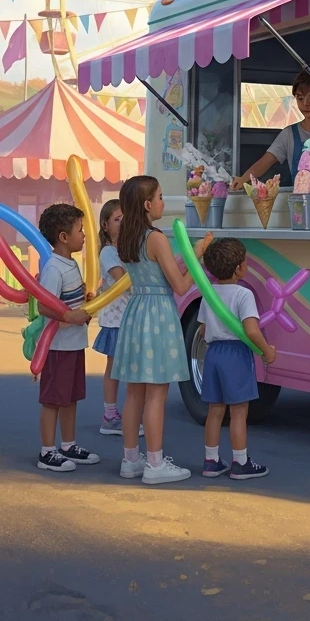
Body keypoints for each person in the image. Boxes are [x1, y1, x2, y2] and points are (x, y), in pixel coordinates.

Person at [112, 176, 194, 485]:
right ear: (148, 205)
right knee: (157, 393)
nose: (163, 202)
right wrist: (197, 256)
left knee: (134, 392)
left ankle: (131, 459)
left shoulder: (126, 237)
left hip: (136, 312)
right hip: (158, 314)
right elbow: (180, 286)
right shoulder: (156, 238)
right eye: (160, 197)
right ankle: (156, 464)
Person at [197, 237, 276, 480]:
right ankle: (240, 462)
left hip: (213, 353)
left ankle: (211, 461)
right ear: (239, 268)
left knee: (215, 410)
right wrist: (266, 351)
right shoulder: (243, 294)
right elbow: (251, 330)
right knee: (239, 411)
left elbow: (202, 330)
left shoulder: (208, 294)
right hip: (235, 354)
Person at [36, 203, 98, 473]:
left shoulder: (70, 263)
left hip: (74, 344)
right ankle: (47, 451)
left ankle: (68, 444)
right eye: (79, 230)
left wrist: (85, 302)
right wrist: (69, 316)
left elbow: (69, 299)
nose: (83, 235)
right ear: (63, 237)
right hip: (58, 348)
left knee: (71, 398)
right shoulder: (53, 268)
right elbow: (44, 305)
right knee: (53, 400)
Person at [231, 66, 310, 188]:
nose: (305, 103)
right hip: (299, 199)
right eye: (300, 98)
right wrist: (243, 179)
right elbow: (265, 161)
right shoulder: (289, 134)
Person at [93, 199, 142, 438]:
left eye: (125, 218)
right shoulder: (108, 252)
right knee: (114, 369)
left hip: (129, 317)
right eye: (117, 219)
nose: (122, 223)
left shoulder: (126, 248)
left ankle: (125, 414)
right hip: (116, 319)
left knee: (130, 368)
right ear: (105, 225)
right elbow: (124, 281)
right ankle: (110, 416)